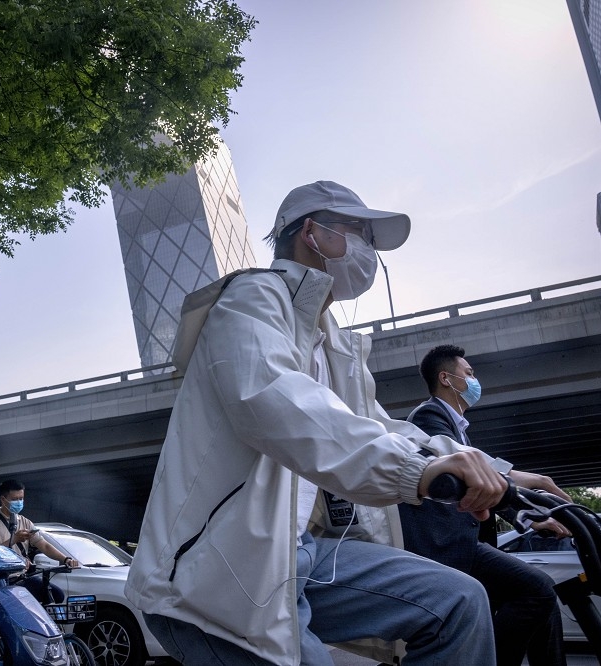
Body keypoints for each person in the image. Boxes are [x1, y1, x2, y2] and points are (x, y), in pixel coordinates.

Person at [125, 180, 534, 666]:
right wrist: (412, 473)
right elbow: (274, 401)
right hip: (218, 570)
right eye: (359, 231)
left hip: (305, 554)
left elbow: (382, 429)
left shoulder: (336, 343)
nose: (370, 251)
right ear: (313, 232)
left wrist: (500, 472)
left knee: (458, 602)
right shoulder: (252, 299)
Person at [398, 344, 571, 666]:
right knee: (537, 590)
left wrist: (531, 519)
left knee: (543, 599)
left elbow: (485, 488)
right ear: (446, 378)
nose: (475, 379)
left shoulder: (460, 431)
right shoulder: (428, 416)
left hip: (463, 542)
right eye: (469, 373)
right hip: (445, 544)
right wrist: (532, 479)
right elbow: (464, 469)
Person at [0, 479, 80, 602]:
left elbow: (44, 545)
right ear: (3, 499)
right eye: (15, 499)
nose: (19, 502)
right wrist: (14, 539)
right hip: (2, 580)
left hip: (24, 577)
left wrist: (65, 559)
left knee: (56, 595)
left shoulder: (25, 522)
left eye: (21, 498)